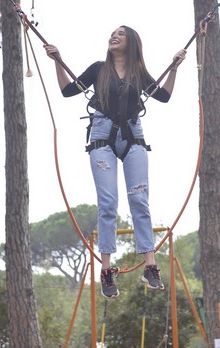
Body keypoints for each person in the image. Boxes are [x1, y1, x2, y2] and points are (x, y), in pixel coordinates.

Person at [45, 26, 186, 299]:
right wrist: (58, 62)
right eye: (112, 33)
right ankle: (107, 271)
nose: (114, 36)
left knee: (139, 200)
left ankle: (150, 266)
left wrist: (174, 68)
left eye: (120, 33)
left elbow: (164, 96)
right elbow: (67, 90)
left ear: (131, 42)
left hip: (133, 137)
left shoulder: (138, 74)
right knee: (108, 202)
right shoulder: (99, 69)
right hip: (101, 137)